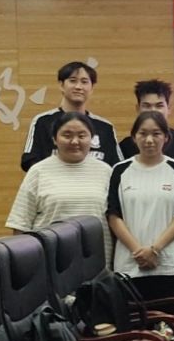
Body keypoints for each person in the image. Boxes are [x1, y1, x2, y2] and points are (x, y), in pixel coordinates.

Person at [107, 110, 174, 309]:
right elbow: (113, 215)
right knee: (134, 323)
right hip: (129, 265)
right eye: (143, 133)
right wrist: (138, 251)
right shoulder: (119, 170)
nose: (149, 140)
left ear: (166, 137)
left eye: (156, 134)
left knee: (170, 323)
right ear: (134, 137)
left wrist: (155, 249)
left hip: (169, 265)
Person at [7, 111, 113, 260]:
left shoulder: (106, 171)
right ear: (54, 139)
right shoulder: (38, 171)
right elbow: (21, 224)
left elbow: (116, 221)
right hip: (49, 261)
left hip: (97, 261)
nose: (75, 141)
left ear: (92, 139)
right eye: (67, 135)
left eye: (82, 136)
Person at [21, 61, 121, 171]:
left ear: (92, 88)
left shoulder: (105, 127)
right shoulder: (42, 121)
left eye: (84, 82)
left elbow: (117, 166)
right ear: (61, 85)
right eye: (73, 81)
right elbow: (31, 160)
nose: (78, 87)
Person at [118, 79, 174, 170]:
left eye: (159, 106)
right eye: (147, 106)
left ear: (169, 109)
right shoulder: (125, 146)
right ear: (138, 109)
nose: (153, 110)